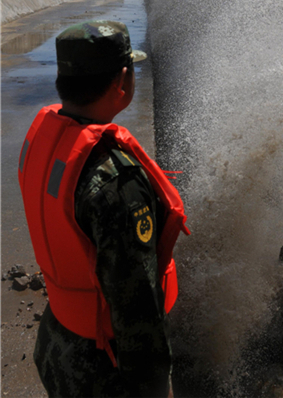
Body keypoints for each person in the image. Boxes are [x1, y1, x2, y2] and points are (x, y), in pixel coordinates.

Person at [18, 20, 189, 398]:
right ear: (123, 82)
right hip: (101, 370)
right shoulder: (116, 182)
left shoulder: (43, 141)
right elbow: (137, 312)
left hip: (55, 345)